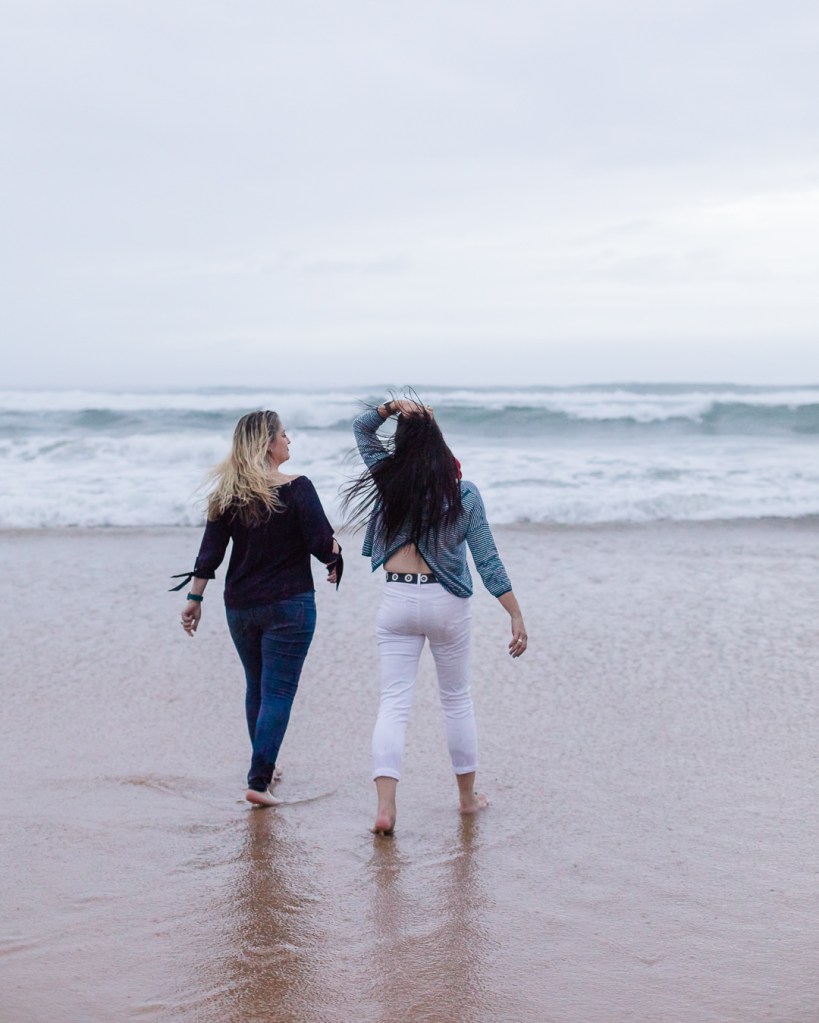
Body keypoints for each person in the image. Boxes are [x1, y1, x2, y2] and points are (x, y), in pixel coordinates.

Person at [344, 397, 527, 835]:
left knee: (393, 703)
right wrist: (515, 614)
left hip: (397, 601)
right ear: (439, 441)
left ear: (402, 443)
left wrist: (389, 408)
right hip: (447, 603)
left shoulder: (388, 480)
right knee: (456, 700)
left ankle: (385, 808)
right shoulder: (463, 493)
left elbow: (360, 429)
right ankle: (466, 800)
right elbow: (487, 560)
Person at [172, 410, 341, 807]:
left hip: (241, 606)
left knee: (257, 685)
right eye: (284, 434)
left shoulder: (227, 493)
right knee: (279, 691)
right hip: (290, 605)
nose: (289, 440)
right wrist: (337, 558)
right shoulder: (299, 487)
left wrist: (194, 599)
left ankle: (265, 762)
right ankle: (259, 780)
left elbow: (210, 552)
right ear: (268, 443)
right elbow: (320, 542)